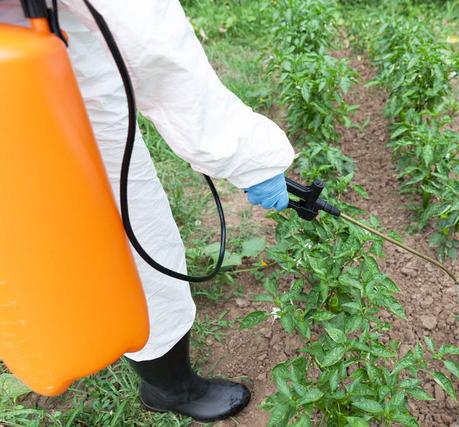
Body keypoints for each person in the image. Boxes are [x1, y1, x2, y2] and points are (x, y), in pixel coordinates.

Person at [1, 0, 294, 422]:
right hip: (35, 62)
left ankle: (155, 375)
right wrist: (244, 154)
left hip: (43, 41)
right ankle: (170, 386)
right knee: (130, 223)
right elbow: (143, 27)